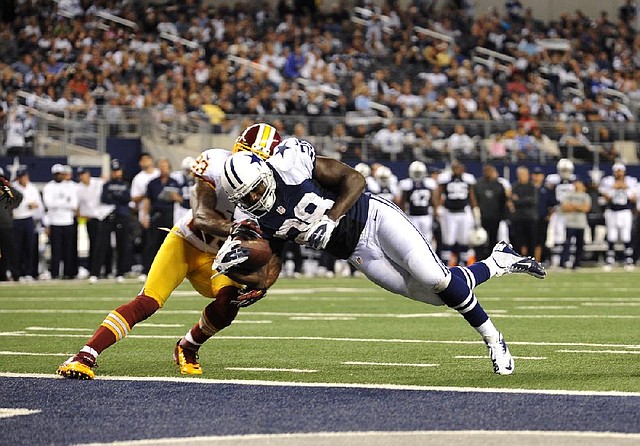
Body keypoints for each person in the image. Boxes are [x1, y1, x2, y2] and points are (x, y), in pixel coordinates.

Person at [218, 142, 547, 376]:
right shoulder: (258, 218)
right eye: (245, 196)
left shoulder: (292, 163)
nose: (253, 198)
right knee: (434, 297)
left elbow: (356, 180)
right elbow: (273, 257)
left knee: (435, 277)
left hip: (375, 218)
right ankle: (498, 262)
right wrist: (259, 284)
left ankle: (493, 338)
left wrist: (330, 218)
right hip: (357, 253)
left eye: (255, 189)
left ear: (263, 173)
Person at [57, 123, 284, 380]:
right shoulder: (215, 164)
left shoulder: (276, 194)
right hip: (186, 242)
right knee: (148, 302)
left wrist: (264, 281)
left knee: (228, 304)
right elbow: (201, 217)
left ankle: (188, 346)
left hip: (221, 257)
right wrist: (239, 230)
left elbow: (276, 247)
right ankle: (84, 355)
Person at [140, 158, 183, 273]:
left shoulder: (175, 182)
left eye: (165, 166)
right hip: (155, 214)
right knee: (152, 243)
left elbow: (181, 199)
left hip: (169, 214)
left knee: (168, 243)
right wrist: (144, 216)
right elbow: (147, 200)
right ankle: (147, 269)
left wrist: (176, 197)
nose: (163, 168)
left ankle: (167, 270)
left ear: (169, 168)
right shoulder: (152, 183)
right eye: (161, 166)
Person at [434, 160, 479, 266]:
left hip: (464, 212)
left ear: (463, 168)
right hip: (449, 213)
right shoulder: (445, 178)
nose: (457, 169)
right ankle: (445, 265)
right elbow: (438, 193)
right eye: (455, 167)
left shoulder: (468, 179)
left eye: (459, 167)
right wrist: (437, 207)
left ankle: (463, 264)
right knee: (448, 240)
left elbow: (471, 196)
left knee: (464, 239)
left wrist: (476, 209)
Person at [76, 167, 114, 283]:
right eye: (80, 175)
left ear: (88, 174)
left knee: (106, 245)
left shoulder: (99, 182)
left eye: (84, 174)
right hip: (91, 219)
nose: (82, 176)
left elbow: (108, 191)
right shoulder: (79, 188)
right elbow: (77, 205)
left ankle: (108, 270)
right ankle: (94, 270)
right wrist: (81, 215)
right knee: (94, 245)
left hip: (104, 216)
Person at [99, 159, 133, 282]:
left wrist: (114, 196)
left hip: (122, 215)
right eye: (114, 171)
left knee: (122, 244)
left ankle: (121, 271)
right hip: (109, 215)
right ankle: (106, 270)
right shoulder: (107, 184)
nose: (116, 173)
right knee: (105, 244)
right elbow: (104, 198)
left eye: (118, 170)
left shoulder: (126, 184)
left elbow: (127, 198)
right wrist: (118, 197)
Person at [42, 164, 78, 279]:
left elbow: (74, 204)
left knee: (69, 249)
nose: (59, 176)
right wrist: (64, 202)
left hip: (68, 221)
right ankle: (55, 273)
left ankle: (69, 273)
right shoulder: (48, 187)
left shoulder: (70, 186)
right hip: (54, 222)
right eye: (57, 174)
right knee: (55, 250)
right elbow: (48, 203)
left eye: (60, 174)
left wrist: (57, 204)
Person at [599, 162, 637, 271]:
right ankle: (610, 261)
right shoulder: (608, 181)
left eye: (621, 170)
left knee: (626, 236)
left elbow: (633, 198)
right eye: (617, 170)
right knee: (612, 236)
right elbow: (606, 197)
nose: (619, 173)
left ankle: (628, 261)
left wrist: (625, 188)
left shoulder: (631, 181)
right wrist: (614, 187)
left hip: (625, 210)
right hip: (612, 210)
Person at [11, 168, 44, 281]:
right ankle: (18, 273)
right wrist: (27, 206)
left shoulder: (32, 188)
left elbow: (38, 204)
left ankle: (29, 272)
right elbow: (13, 205)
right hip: (16, 219)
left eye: (24, 176)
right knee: (17, 247)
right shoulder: (13, 188)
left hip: (29, 219)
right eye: (21, 177)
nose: (23, 179)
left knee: (30, 247)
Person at [397, 161, 437, 243]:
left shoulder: (429, 183)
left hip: (425, 215)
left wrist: (435, 211)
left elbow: (433, 200)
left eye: (419, 173)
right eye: (416, 173)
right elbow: (403, 202)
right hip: (412, 215)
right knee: (412, 239)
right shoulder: (406, 184)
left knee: (427, 239)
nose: (417, 175)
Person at [474, 164, 507, 259]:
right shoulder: (478, 184)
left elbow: (503, 201)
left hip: (495, 217)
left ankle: (491, 259)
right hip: (482, 217)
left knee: (493, 239)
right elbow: (474, 199)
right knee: (480, 239)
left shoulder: (499, 185)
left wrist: (503, 216)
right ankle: (479, 259)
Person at [559, 178, 591, 269]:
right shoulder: (569, 195)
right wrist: (579, 207)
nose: (577, 185)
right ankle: (563, 262)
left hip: (581, 223)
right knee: (567, 243)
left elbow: (586, 208)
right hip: (570, 222)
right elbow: (565, 208)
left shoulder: (586, 196)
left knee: (579, 244)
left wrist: (574, 206)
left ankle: (577, 263)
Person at [509, 166, 538, 257]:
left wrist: (518, 201)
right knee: (517, 241)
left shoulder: (532, 186)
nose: (521, 176)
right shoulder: (515, 186)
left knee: (531, 241)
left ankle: (531, 260)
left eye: (523, 174)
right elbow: (512, 199)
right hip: (518, 218)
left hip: (530, 218)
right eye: (519, 174)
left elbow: (532, 201)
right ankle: (517, 260)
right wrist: (522, 201)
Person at [0, 167, 23, 281]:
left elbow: (19, 196)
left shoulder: (6, 189)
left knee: (10, 251)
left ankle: (15, 274)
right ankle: (1, 275)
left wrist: (11, 207)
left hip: (6, 224)